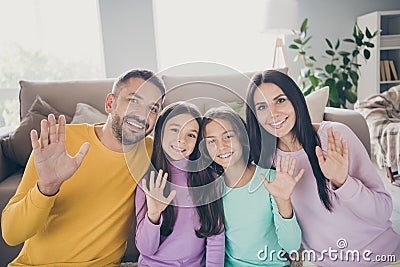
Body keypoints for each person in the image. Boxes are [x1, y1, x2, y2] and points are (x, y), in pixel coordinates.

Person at [1, 69, 165, 266]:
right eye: (134, 101)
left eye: (153, 108)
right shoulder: (60, 142)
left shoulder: (152, 153)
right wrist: (46, 187)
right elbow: (11, 234)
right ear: (110, 103)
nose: (142, 115)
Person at [245, 69, 400, 266]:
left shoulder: (335, 137)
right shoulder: (265, 162)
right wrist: (283, 202)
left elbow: (384, 211)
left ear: (296, 100)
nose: (273, 113)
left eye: (280, 100)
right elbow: (286, 240)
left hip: (381, 256)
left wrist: (343, 182)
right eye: (261, 107)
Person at [202, 106, 302, 267]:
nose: (221, 146)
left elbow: (292, 246)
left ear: (242, 137)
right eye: (212, 141)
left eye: (228, 136)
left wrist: (283, 202)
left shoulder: (271, 180)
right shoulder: (212, 189)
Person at [135, 102, 225, 267]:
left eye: (190, 135)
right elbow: (146, 249)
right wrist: (153, 215)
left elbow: (215, 237)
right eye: (175, 130)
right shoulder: (148, 182)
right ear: (161, 132)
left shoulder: (209, 179)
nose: (181, 140)